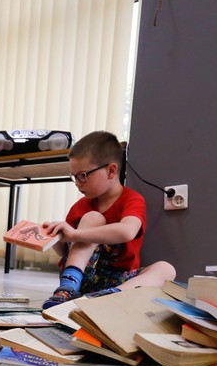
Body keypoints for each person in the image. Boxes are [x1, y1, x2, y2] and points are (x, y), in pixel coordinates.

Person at [41, 130, 176, 310]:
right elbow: (64, 252)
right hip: (81, 278)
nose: (77, 182)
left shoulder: (132, 199)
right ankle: (67, 288)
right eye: (74, 176)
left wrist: (75, 233)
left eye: (83, 175)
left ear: (111, 171)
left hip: (118, 280)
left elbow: (127, 231)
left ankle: (110, 296)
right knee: (93, 218)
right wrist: (55, 237)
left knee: (167, 269)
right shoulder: (81, 206)